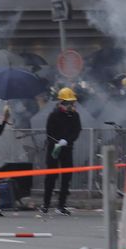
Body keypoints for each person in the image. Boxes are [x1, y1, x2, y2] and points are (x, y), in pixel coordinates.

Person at [42, 87, 82, 215]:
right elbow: (49, 133)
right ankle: (45, 204)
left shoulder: (75, 115)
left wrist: (67, 140)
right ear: (61, 102)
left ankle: (61, 205)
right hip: (54, 149)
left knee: (66, 178)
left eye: (71, 103)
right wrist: (56, 142)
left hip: (67, 148)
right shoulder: (53, 115)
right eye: (67, 103)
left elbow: (76, 131)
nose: (70, 105)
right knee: (51, 177)